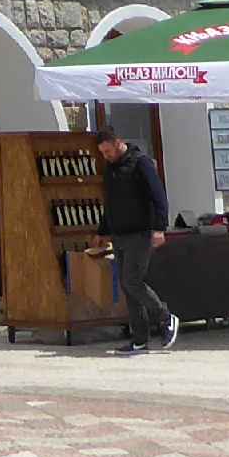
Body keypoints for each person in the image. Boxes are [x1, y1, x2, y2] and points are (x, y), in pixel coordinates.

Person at [93, 128, 177, 357]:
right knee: (127, 286)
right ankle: (139, 340)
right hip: (119, 234)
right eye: (102, 153)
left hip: (140, 233)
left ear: (118, 143)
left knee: (132, 280)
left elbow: (159, 196)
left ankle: (165, 317)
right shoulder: (110, 169)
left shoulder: (141, 163)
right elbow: (110, 203)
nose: (106, 156)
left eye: (108, 151)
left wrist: (159, 228)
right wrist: (102, 231)